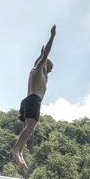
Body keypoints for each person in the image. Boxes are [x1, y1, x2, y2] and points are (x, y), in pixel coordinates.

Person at [9, 24, 56, 169]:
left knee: (27, 131)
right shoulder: (39, 69)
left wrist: (41, 55)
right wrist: (52, 36)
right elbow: (45, 54)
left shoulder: (35, 72)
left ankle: (20, 153)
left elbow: (41, 59)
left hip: (26, 102)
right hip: (33, 101)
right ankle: (16, 149)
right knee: (29, 129)